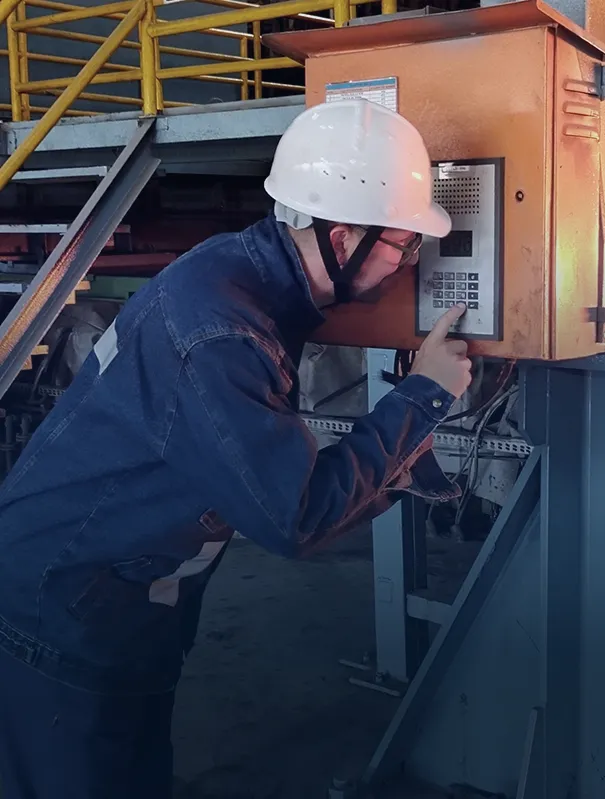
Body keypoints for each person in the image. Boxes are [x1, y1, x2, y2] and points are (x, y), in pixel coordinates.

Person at [0, 99, 471, 799]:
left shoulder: (240, 272)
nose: (410, 264)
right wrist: (422, 395)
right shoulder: (224, 332)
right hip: (65, 609)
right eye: (405, 246)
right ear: (344, 240)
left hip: (116, 598)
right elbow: (295, 515)